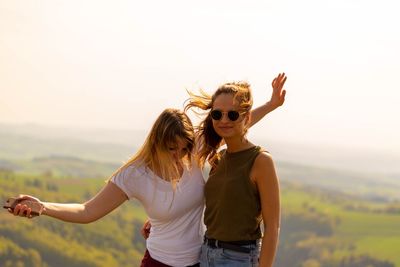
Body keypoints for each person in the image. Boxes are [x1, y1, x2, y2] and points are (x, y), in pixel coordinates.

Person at [7, 73, 286, 267]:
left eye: (184, 148)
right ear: (156, 145)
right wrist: (43, 206)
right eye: (170, 149)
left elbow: (231, 123)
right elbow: (87, 211)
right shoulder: (135, 174)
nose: (179, 155)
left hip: (200, 261)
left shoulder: (196, 150)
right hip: (159, 264)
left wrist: (271, 106)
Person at [184, 74, 286, 267]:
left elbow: (272, 227)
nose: (224, 120)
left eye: (232, 114)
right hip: (205, 254)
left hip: (238, 259)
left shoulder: (261, 161)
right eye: (217, 114)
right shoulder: (217, 159)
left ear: (246, 117)